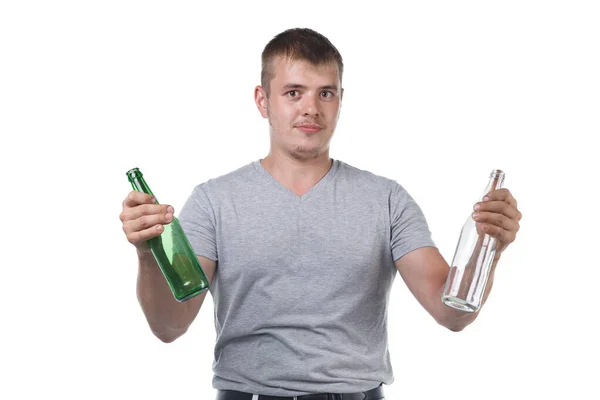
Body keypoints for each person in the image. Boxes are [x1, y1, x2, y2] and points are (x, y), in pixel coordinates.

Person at [120, 28, 522, 400]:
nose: (311, 108)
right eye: (294, 92)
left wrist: (490, 248)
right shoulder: (214, 201)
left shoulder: (387, 199)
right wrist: (146, 254)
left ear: (341, 99)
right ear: (263, 101)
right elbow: (169, 326)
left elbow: (451, 313)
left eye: (325, 93)